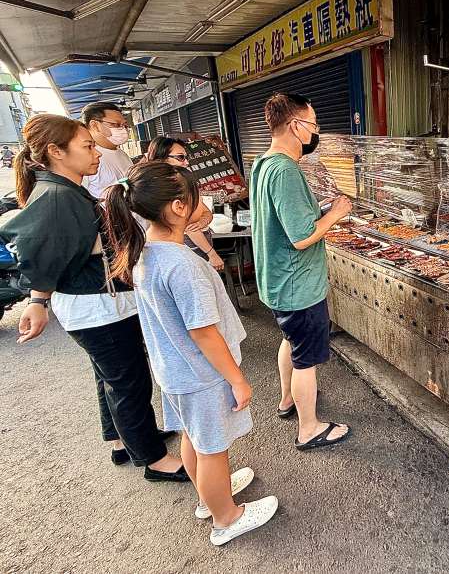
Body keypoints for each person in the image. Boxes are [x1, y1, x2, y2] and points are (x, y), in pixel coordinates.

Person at [0, 114, 187, 481]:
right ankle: (154, 460)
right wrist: (37, 302)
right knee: (128, 381)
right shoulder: (56, 196)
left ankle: (122, 440)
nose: (96, 153)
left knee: (110, 378)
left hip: (96, 306)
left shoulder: (66, 188)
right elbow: (36, 249)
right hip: (98, 309)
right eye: (87, 146)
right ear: (56, 152)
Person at [105, 162, 277, 545]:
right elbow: (203, 331)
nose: (205, 203)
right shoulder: (182, 265)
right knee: (214, 448)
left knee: (195, 437)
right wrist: (237, 378)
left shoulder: (146, 251)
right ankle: (226, 517)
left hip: (176, 371)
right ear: (180, 207)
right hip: (202, 375)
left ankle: (207, 497)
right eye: (198, 197)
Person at [249, 93, 352, 451]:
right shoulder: (286, 170)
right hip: (297, 284)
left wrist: (319, 207)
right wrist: (336, 212)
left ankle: (287, 399)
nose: (316, 130)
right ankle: (309, 429)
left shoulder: (262, 164)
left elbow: (284, 217)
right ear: (295, 125)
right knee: (306, 359)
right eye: (313, 123)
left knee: (290, 340)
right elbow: (302, 237)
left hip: (277, 280)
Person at [146, 136, 224, 271]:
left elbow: (205, 211)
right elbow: (187, 226)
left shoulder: (184, 181)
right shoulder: (168, 188)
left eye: (186, 157)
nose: (186, 162)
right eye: (180, 157)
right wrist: (211, 253)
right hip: (190, 244)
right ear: (161, 158)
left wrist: (201, 222)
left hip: (198, 242)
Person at [81, 102, 135, 199]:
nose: (123, 129)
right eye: (116, 124)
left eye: (124, 125)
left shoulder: (121, 153)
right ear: (94, 125)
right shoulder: (85, 159)